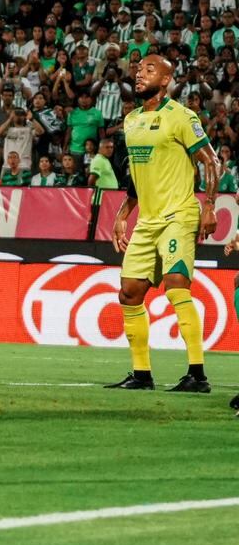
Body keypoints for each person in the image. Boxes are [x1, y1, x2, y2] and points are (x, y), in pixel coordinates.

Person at [107, 55, 219, 393]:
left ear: (167, 79)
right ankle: (142, 374)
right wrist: (124, 212)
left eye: (149, 70)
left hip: (178, 215)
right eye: (138, 70)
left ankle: (197, 375)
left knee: (175, 284)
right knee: (129, 292)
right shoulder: (131, 121)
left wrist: (210, 206)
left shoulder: (182, 117)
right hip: (147, 219)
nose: (140, 75)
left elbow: (211, 162)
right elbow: (137, 173)